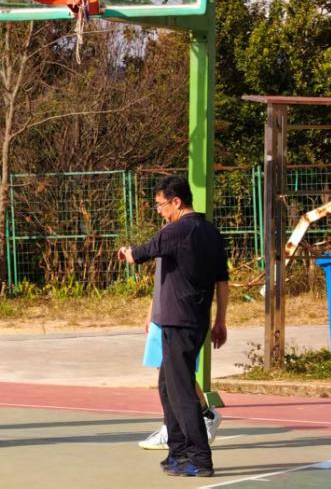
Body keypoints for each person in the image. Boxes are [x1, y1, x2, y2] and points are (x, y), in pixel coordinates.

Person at [119, 175, 229, 478]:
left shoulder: (175, 231)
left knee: (181, 392)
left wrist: (126, 252)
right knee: (167, 386)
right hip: (192, 320)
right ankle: (178, 452)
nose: (159, 211)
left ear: (176, 201)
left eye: (160, 205)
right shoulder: (210, 231)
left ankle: (200, 458)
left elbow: (138, 255)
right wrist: (220, 320)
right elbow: (222, 280)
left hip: (179, 322)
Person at [137, 257, 222, 450]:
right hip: (161, 315)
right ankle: (203, 415)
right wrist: (151, 311)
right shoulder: (163, 243)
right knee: (168, 372)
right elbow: (161, 279)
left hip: (179, 316)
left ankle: (176, 427)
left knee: (177, 372)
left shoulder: (190, 244)